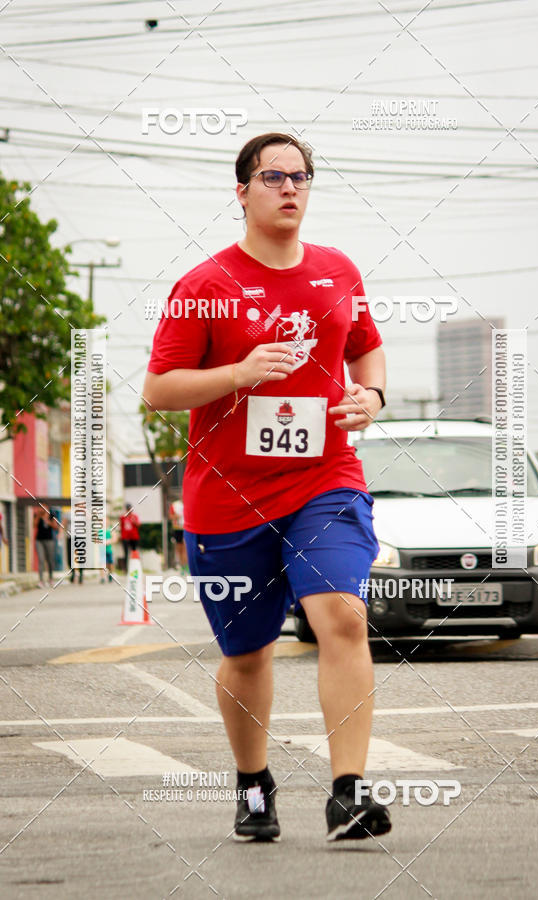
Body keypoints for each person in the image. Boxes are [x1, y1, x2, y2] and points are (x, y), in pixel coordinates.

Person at [143, 132, 389, 843]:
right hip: (230, 498)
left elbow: (365, 345)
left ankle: (348, 793)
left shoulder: (338, 271)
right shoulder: (204, 286)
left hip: (325, 480)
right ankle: (253, 785)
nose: (289, 187)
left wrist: (372, 396)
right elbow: (159, 389)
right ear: (242, 191)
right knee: (248, 652)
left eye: (301, 176)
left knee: (340, 614)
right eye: (273, 176)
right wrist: (239, 374)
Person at [33, 505, 59, 587]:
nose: (41, 508)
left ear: (46, 507)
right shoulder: (37, 515)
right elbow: (34, 525)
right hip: (39, 540)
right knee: (41, 560)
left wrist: (49, 522)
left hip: (49, 540)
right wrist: (38, 516)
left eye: (43, 507)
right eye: (40, 507)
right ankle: (41, 581)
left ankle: (50, 578)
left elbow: (56, 527)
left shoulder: (52, 515)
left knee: (50, 560)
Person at [119, 503, 140, 571]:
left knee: (134, 552)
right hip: (125, 537)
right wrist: (121, 536)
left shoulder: (134, 516)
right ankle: (125, 568)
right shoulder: (122, 517)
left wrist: (134, 521)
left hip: (134, 537)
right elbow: (121, 527)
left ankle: (134, 567)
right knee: (125, 553)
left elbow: (138, 525)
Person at [168, 498, 186, 571]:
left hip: (187, 528)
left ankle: (187, 565)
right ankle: (182, 566)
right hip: (178, 528)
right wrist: (176, 516)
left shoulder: (189, 502)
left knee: (186, 547)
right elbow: (171, 516)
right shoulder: (175, 505)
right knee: (179, 548)